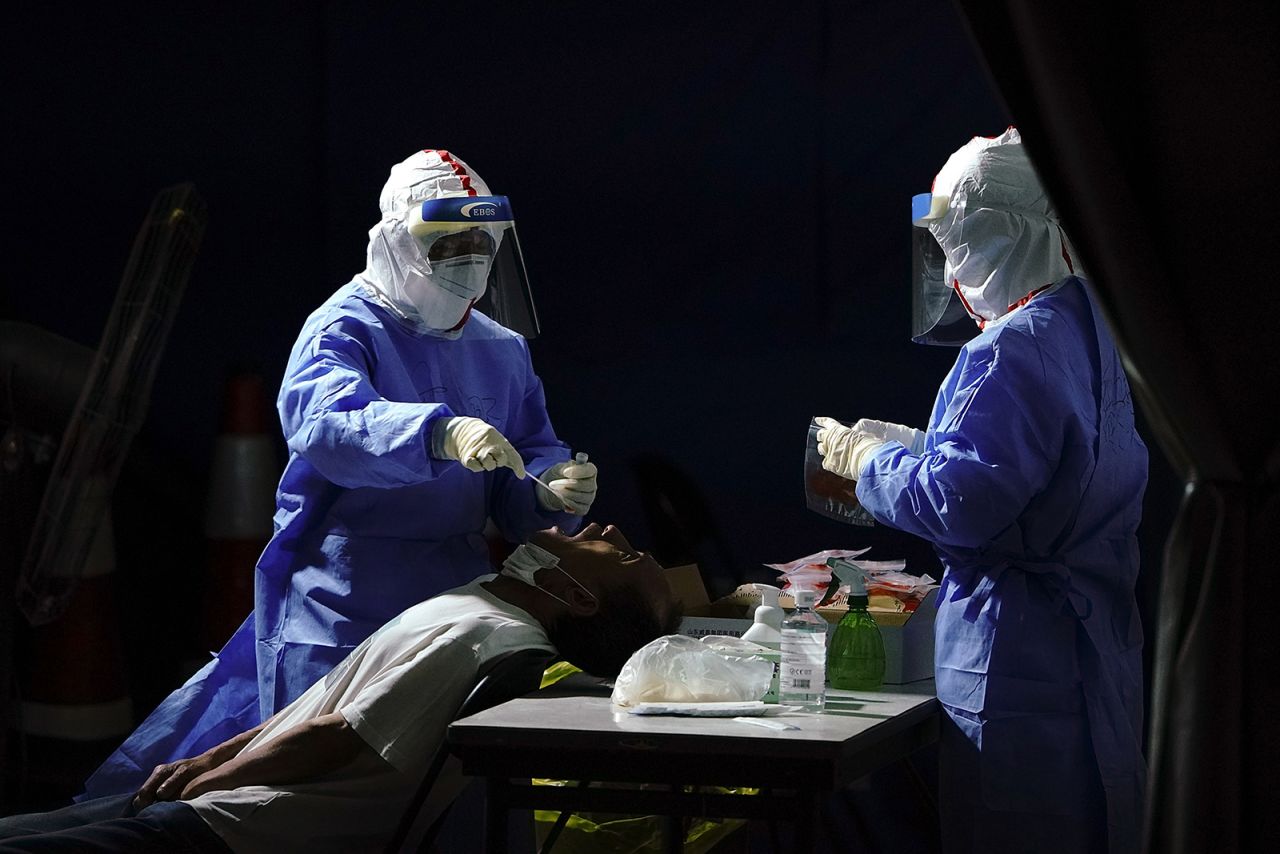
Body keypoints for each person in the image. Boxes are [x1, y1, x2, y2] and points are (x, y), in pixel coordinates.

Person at [81, 149, 600, 799]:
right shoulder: (345, 326)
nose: (469, 256)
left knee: (434, 791)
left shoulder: (499, 347)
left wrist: (554, 488)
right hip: (341, 601)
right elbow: (327, 427)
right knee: (311, 790)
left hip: (455, 598)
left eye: (481, 239)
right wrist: (435, 433)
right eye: (447, 240)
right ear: (398, 240)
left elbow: (525, 454)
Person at [814, 128, 1147, 853]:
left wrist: (870, 461)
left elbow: (960, 506)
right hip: (1090, 643)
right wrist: (924, 447)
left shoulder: (1009, 348)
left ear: (995, 233)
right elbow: (1047, 471)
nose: (950, 272)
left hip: (1018, 659)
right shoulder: (1091, 327)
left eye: (953, 242)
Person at [0, 524, 681, 853]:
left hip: (243, 832)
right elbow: (322, 708)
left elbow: (337, 736)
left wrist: (214, 781)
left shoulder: (486, 637)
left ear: (574, 595)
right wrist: (207, 761)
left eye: (621, 554)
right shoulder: (481, 605)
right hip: (227, 803)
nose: (608, 529)